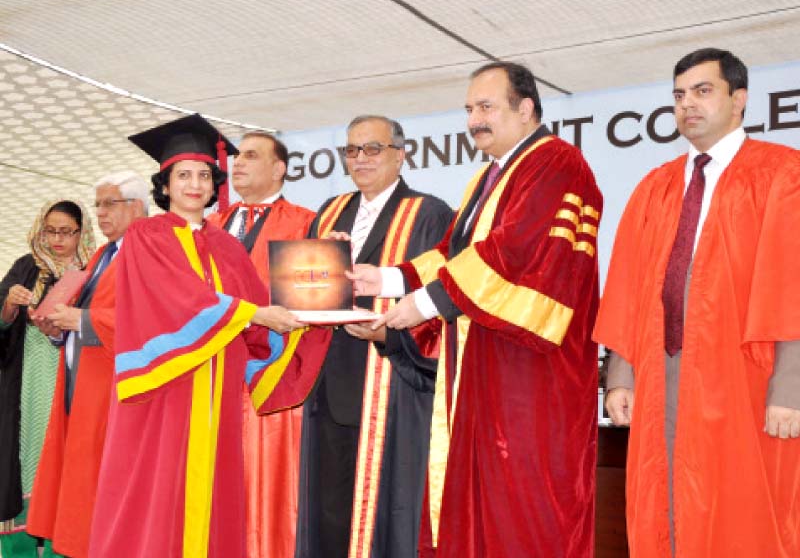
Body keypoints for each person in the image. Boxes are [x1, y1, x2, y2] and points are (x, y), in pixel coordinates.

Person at [350, 63, 602, 557]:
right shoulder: (491, 175)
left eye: (486, 107)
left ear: (525, 108)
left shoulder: (557, 164)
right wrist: (385, 278)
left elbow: (514, 253)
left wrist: (421, 304)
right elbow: (454, 253)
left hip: (531, 370)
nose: (473, 120)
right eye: (469, 109)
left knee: (521, 505)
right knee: (479, 501)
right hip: (486, 365)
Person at [86, 114, 324, 558]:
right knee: (158, 493)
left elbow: (260, 316)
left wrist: (321, 289)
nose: (194, 184)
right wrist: (256, 313)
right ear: (166, 183)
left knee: (210, 494)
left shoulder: (227, 247)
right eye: (183, 175)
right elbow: (181, 299)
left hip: (217, 396)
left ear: (215, 183)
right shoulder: (146, 236)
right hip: (164, 389)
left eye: (202, 175)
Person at [594, 48, 800, 557]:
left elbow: (792, 281)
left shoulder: (782, 173)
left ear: (740, 99)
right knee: (662, 495)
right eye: (680, 95)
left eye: (703, 91)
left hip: (747, 371)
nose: (688, 104)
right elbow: (630, 282)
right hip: (662, 373)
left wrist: (791, 386)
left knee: (743, 507)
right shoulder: (656, 185)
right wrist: (621, 373)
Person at [295, 115, 452, 558]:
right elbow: (306, 292)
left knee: (387, 511)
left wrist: (386, 336)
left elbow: (439, 301)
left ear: (400, 155)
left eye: (372, 149)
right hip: (329, 385)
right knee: (328, 513)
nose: (360, 159)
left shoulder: (429, 213)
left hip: (391, 385)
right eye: (351, 150)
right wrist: (321, 263)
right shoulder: (328, 212)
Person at [26, 172, 148, 558]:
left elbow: (147, 318)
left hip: (114, 387)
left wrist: (82, 321)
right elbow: (83, 313)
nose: (100, 213)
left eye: (109, 204)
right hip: (80, 381)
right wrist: (56, 326)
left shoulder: (145, 253)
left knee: (106, 486)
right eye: (97, 204)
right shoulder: (103, 255)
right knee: (81, 483)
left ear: (137, 207)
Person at [208, 132, 315, 558]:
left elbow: (313, 302)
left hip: (270, 375)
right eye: (237, 156)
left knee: (269, 482)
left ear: (279, 168)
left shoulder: (307, 222)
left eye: (251, 156)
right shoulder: (209, 227)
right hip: (213, 374)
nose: (239, 163)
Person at [0, 199, 95, 558]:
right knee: (26, 460)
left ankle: (63, 548)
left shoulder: (95, 269)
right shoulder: (25, 268)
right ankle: (19, 550)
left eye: (67, 232)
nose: (58, 240)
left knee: (70, 462)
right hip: (29, 385)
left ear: (81, 232)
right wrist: (10, 303)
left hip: (77, 382)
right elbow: (2, 324)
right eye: (50, 231)